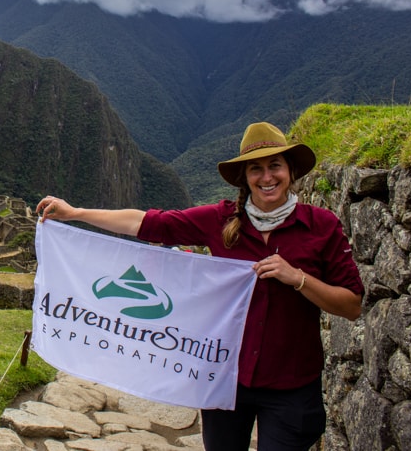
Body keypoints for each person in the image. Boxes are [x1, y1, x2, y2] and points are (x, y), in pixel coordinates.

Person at [36, 122, 364, 451]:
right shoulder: (219, 221)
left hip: (291, 386)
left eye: (274, 166)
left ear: (290, 171)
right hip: (225, 381)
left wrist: (299, 279)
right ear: (245, 178)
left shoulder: (321, 227)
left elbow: (351, 305)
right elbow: (148, 222)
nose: (267, 178)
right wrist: (75, 213)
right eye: (256, 169)